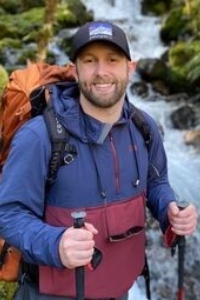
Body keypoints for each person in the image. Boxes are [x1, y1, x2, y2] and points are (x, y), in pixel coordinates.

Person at [0, 20, 197, 300]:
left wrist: (170, 211)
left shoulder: (144, 128)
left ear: (130, 68)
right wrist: (55, 244)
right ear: (75, 70)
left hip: (121, 290)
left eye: (112, 60)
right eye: (89, 61)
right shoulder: (39, 137)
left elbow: (156, 181)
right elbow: (8, 214)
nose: (101, 72)